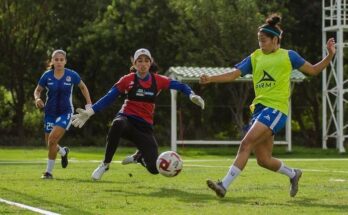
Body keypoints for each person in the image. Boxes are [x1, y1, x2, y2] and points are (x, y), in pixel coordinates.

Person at [200, 14, 336, 198]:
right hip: (259, 111)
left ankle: (223, 185)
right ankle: (293, 173)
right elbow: (233, 74)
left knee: (246, 143)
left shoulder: (289, 56)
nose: (260, 44)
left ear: (275, 40)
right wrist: (210, 79)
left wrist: (329, 55)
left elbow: (313, 70)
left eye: (263, 40)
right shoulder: (255, 57)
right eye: (258, 40)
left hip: (276, 110)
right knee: (263, 160)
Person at [71, 48, 205, 180]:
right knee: (117, 123)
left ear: (150, 62)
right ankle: (105, 164)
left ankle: (138, 157)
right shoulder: (127, 80)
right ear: (134, 64)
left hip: (144, 127)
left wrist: (192, 95)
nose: (143, 63)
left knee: (154, 169)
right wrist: (90, 112)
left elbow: (181, 86)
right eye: (139, 61)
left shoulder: (158, 80)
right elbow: (109, 97)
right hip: (127, 120)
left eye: (146, 60)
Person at [34, 49, 92, 179]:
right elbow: (37, 90)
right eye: (56, 59)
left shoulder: (72, 75)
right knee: (50, 144)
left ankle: (48, 173)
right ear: (52, 61)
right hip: (49, 112)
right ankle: (63, 151)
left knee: (52, 140)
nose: (59, 62)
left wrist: (89, 105)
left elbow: (83, 87)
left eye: (61, 60)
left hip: (66, 112)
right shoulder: (47, 75)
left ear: (65, 61)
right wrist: (37, 98)